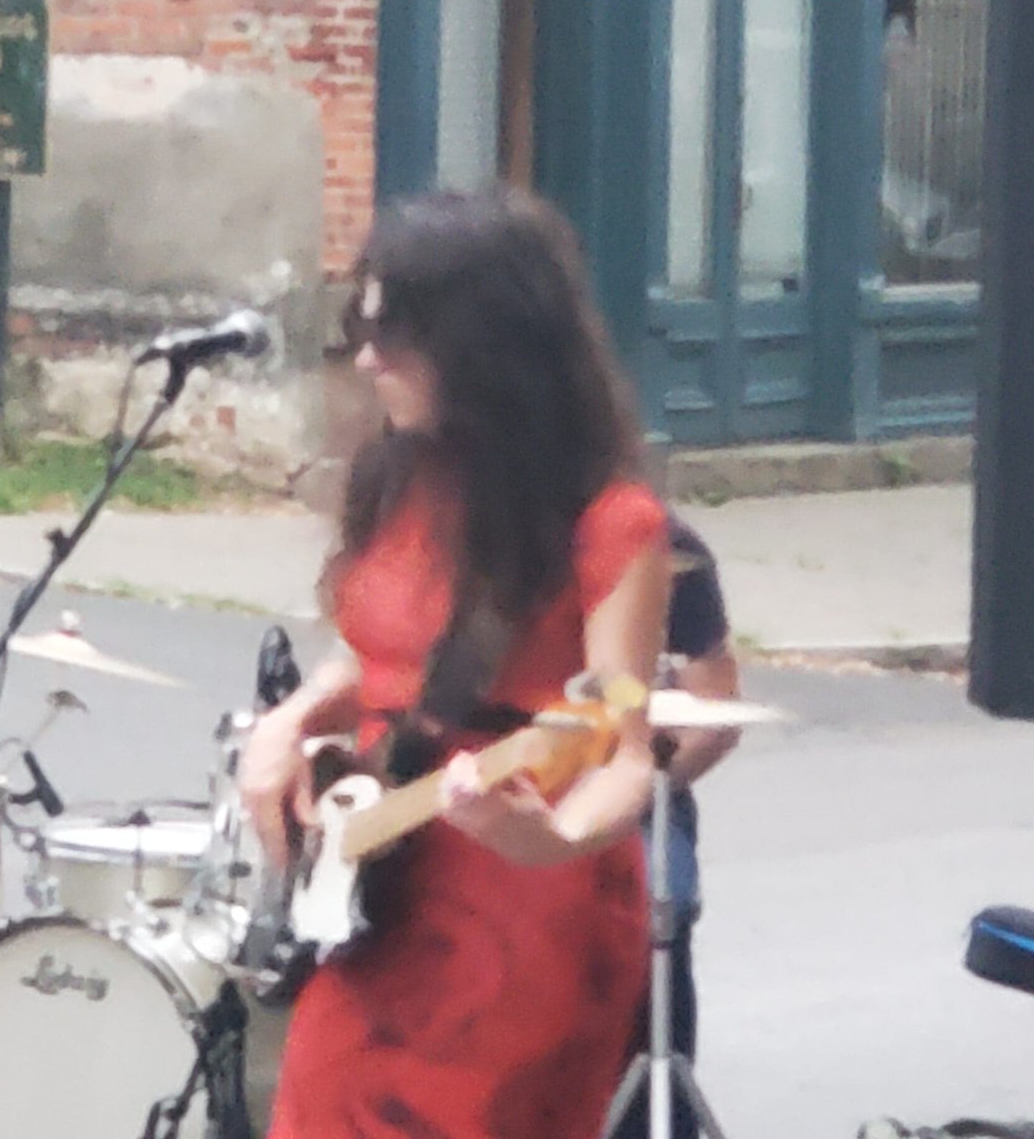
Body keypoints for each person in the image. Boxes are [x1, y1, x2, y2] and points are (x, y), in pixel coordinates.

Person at [238, 188, 672, 1139]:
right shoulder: (399, 478)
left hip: (523, 901)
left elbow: (624, 746)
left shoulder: (613, 525)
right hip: (383, 872)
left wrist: (552, 836)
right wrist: (289, 722)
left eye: (395, 336)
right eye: (364, 329)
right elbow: (379, 653)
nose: (367, 359)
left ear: (486, 349)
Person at [610, 516, 741, 1139]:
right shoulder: (467, 538)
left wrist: (629, 794)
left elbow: (713, 718)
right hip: (499, 799)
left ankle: (655, 1115)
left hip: (636, 801)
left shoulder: (667, 549)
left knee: (663, 901)